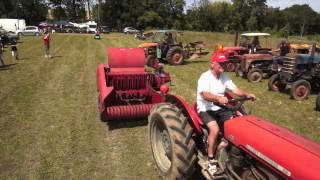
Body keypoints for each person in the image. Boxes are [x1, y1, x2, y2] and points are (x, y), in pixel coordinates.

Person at [196, 56, 256, 175]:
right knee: (215, 129)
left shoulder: (224, 77)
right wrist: (218, 97)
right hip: (206, 109)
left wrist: (247, 94)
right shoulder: (204, 77)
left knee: (235, 126)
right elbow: (205, 95)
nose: (223, 65)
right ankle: (211, 158)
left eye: (225, 63)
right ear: (212, 64)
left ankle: (233, 149)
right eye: (220, 63)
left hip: (220, 108)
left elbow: (235, 89)